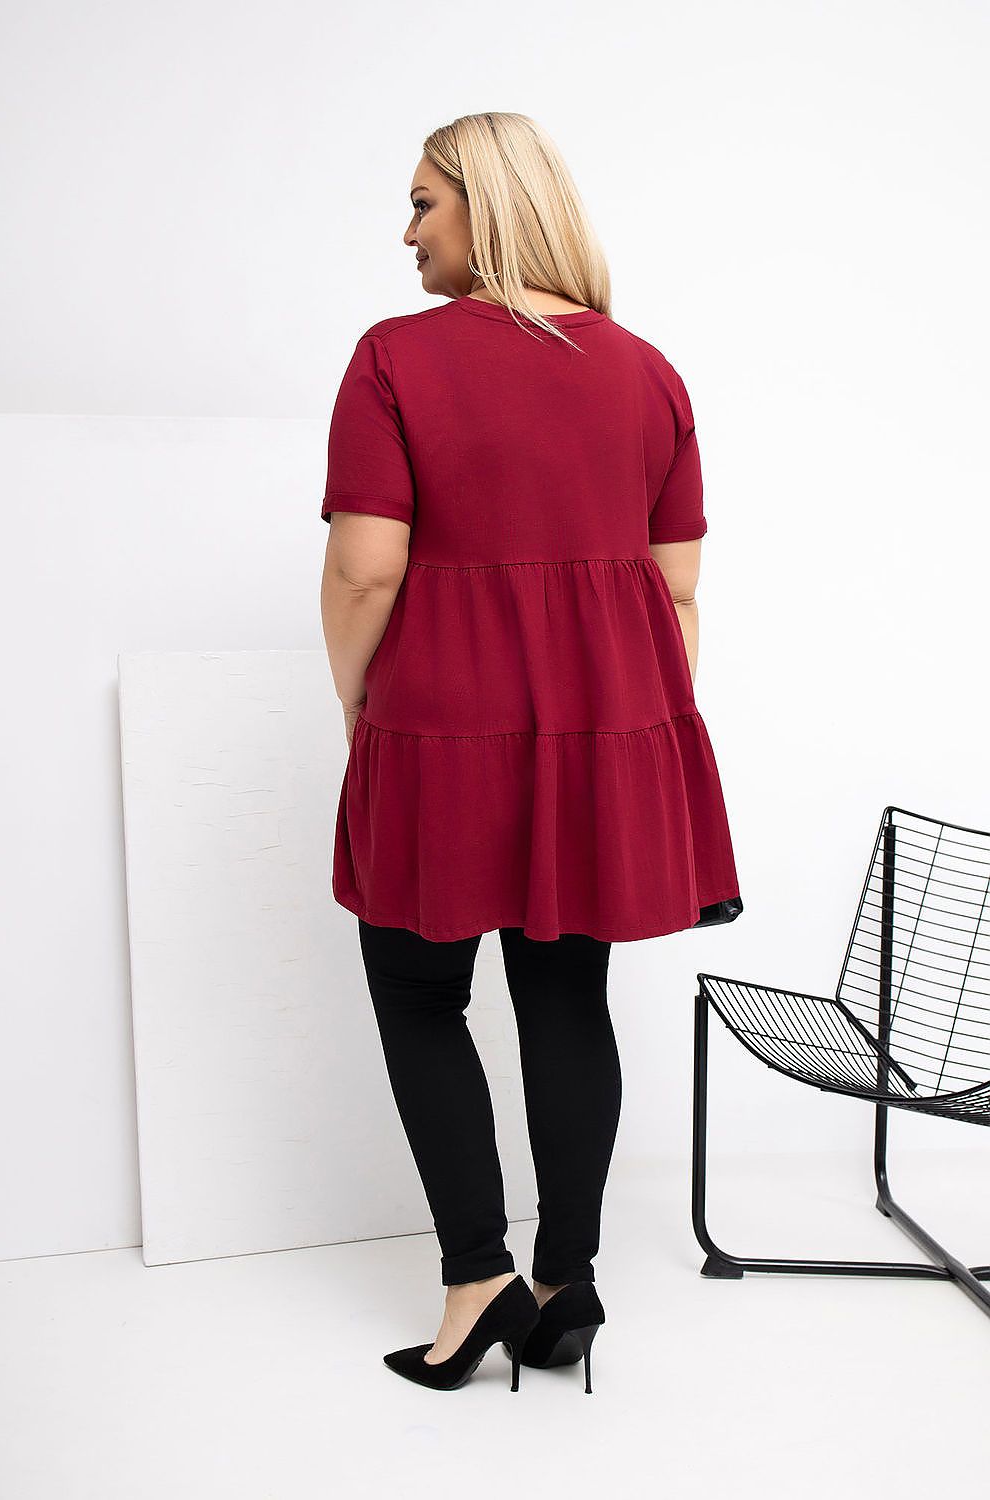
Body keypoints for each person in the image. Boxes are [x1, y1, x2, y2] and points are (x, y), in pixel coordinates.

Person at [318, 112, 742, 1392]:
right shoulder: (648, 372)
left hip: (439, 725)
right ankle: (568, 1283)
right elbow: (675, 595)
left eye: (423, 204)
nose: (405, 233)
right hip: (601, 732)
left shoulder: (396, 358)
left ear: (487, 207)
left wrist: (359, 710)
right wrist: (632, 739)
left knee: (416, 991)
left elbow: (363, 566)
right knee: (567, 998)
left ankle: (475, 1280)